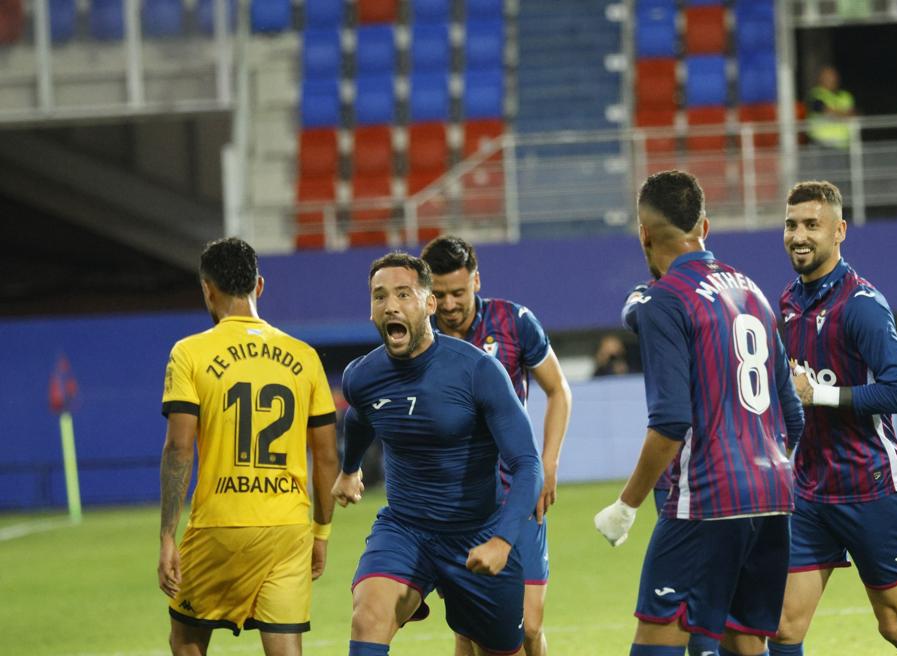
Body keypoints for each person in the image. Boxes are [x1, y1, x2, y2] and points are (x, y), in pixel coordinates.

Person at [594, 170, 805, 656]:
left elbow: (670, 423)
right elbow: (793, 416)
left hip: (708, 499)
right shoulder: (752, 291)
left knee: (657, 642)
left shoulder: (665, 302)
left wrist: (626, 506)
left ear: (643, 233)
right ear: (704, 227)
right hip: (774, 494)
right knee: (742, 642)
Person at [769, 181, 897, 656]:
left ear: (839, 231)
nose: (799, 235)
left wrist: (821, 394)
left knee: (896, 625)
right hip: (808, 488)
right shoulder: (786, 305)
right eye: (791, 225)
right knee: (784, 628)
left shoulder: (862, 305)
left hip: (870, 485)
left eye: (812, 224)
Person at [333, 252, 543, 656]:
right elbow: (359, 419)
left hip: (477, 534)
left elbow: (526, 463)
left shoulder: (477, 371)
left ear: (429, 304)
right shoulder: (362, 376)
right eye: (379, 296)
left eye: (403, 294)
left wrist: (502, 540)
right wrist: (349, 469)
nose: (390, 305)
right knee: (368, 615)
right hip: (405, 529)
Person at [158, 237, 339, 656]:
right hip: (288, 527)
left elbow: (178, 450)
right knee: (285, 649)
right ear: (260, 285)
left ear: (208, 289)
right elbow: (327, 455)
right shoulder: (304, 356)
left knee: (186, 641)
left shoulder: (189, 353)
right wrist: (321, 533)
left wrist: (168, 536)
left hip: (220, 525)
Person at [419, 236, 572, 656]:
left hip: (519, 493)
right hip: (457, 506)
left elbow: (558, 389)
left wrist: (549, 462)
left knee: (530, 625)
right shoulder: (418, 342)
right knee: (471, 630)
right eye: (439, 295)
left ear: (476, 282)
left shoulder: (514, 321)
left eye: (458, 293)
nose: (448, 304)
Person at [620, 280, 719, 656]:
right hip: (682, 474)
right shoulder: (657, 301)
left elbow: (632, 309)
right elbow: (631, 310)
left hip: (705, 469)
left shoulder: (704, 305)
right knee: (698, 588)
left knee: (697, 591)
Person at [806, 65, 855, 151]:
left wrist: (837, 113)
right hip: (821, 145)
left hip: (842, 146)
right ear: (821, 79)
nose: (831, 80)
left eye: (833, 77)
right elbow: (824, 110)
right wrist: (842, 114)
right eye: (827, 77)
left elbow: (853, 114)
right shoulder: (816, 94)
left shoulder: (845, 96)